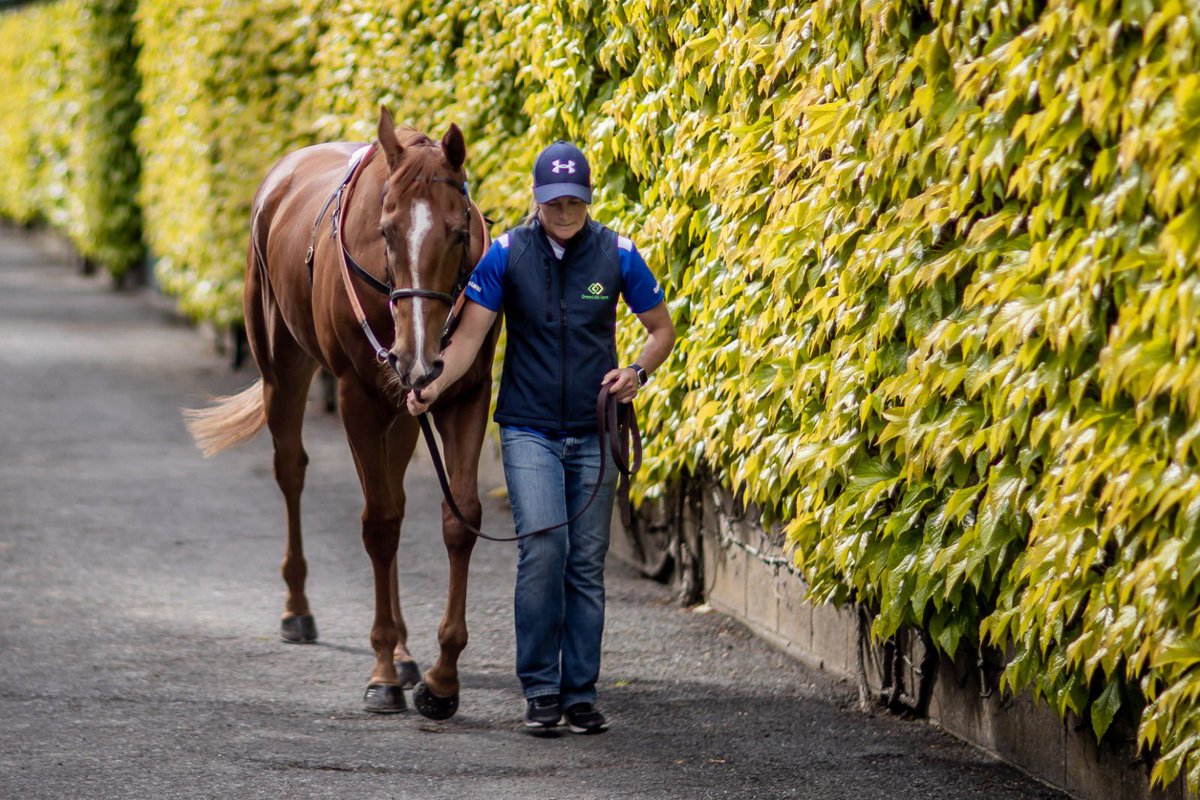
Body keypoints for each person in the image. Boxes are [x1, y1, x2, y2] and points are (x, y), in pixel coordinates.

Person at [406, 140, 676, 734]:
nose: (564, 211)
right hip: (528, 430)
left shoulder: (618, 254)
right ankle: (540, 690)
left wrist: (637, 372)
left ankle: (581, 694)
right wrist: (430, 384)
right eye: (554, 201)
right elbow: (470, 340)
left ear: (587, 199)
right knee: (545, 549)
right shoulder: (505, 254)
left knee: (585, 562)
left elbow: (661, 329)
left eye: (574, 201)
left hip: (595, 430)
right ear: (536, 198)